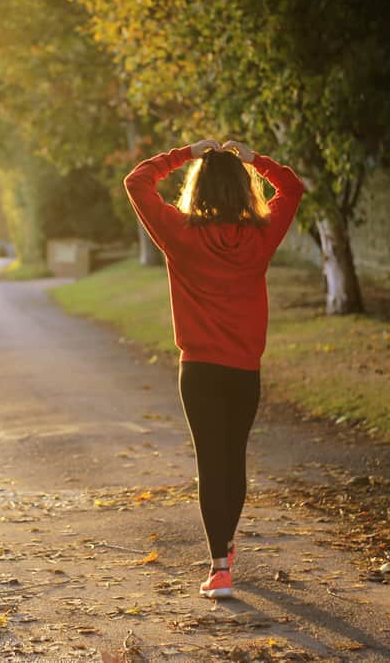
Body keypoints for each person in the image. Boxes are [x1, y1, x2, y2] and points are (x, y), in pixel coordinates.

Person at [123, 137, 306, 599]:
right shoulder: (261, 236)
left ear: (198, 188)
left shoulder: (180, 234)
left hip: (199, 370)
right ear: (244, 189)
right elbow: (292, 188)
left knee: (210, 462)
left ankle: (220, 567)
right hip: (244, 370)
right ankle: (224, 546)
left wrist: (186, 153)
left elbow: (137, 181)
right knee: (233, 458)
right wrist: (254, 159)